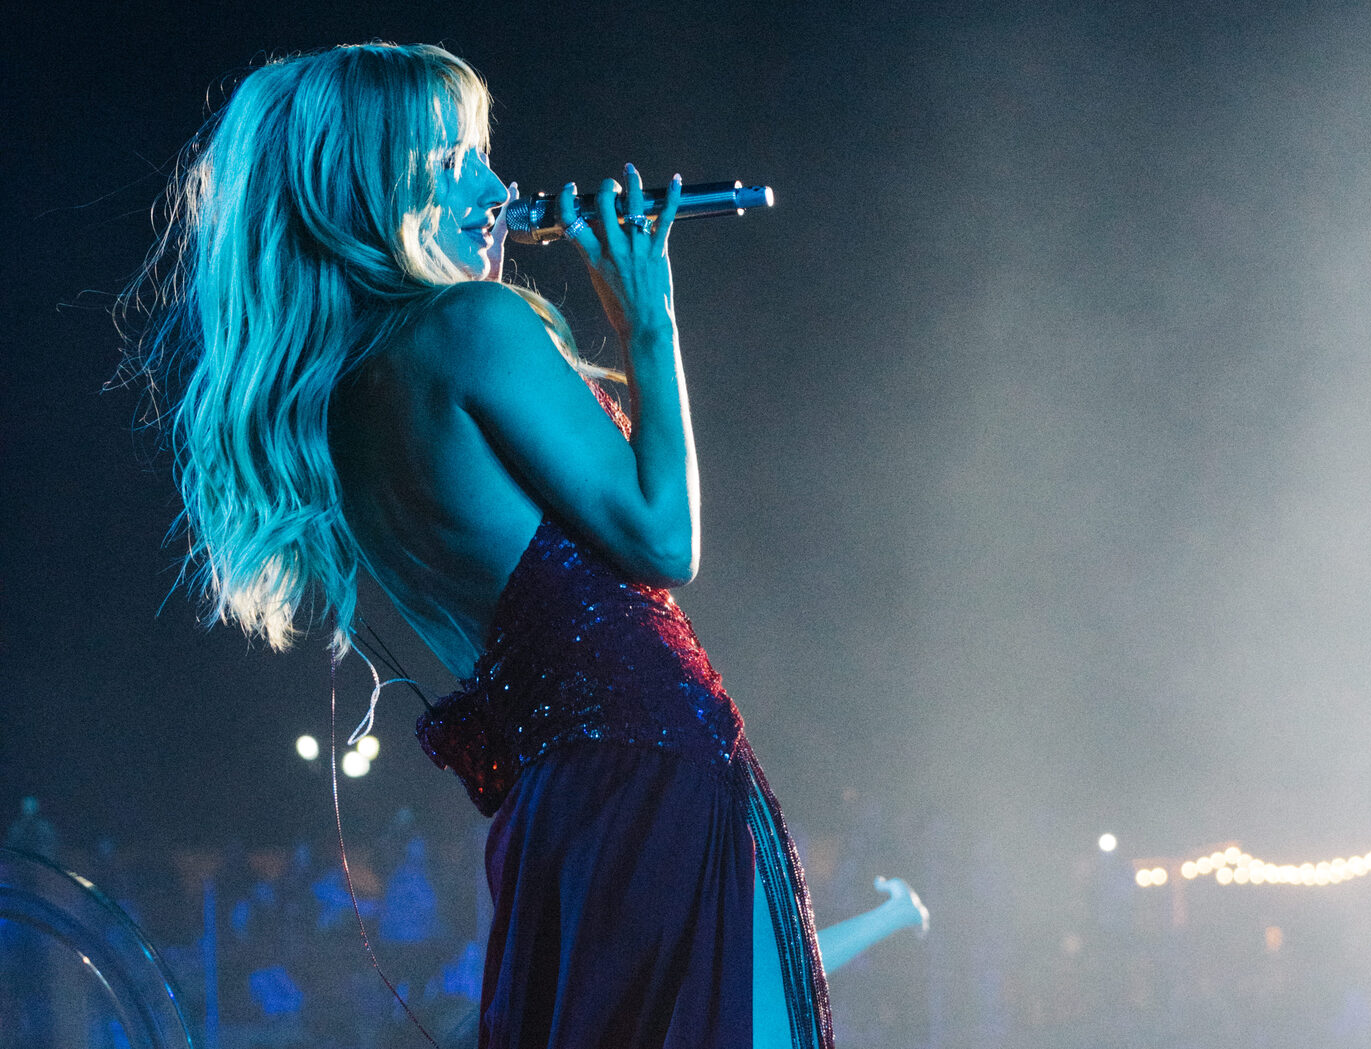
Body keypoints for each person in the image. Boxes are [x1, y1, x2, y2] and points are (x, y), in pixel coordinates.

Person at [125, 42, 841, 1049]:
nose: (497, 189)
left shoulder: (338, 405)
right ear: (369, 189)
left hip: (560, 806)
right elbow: (664, 537)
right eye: (454, 161)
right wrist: (649, 321)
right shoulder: (470, 324)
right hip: (654, 772)